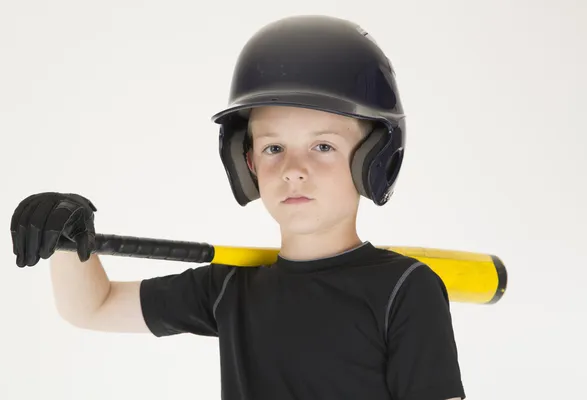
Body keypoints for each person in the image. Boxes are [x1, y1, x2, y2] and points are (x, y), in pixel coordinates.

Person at [10, 15, 465, 400]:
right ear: (245, 162)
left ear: (374, 159)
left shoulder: (406, 289)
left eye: (322, 145)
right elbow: (94, 307)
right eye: (272, 148)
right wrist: (66, 241)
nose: (293, 169)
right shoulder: (232, 286)